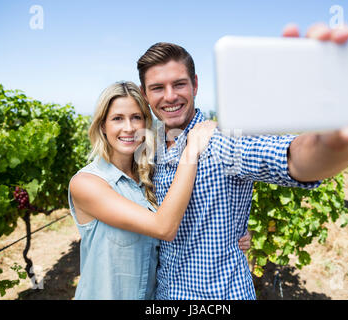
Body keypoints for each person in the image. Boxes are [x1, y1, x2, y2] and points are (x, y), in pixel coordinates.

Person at [136, 22, 348, 299]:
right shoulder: (152, 147)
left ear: (195, 85)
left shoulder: (222, 140)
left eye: (179, 84)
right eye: (158, 87)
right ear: (145, 93)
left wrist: (331, 144)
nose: (169, 96)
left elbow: (291, 159)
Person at [68, 81, 250, 300]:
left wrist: (233, 233)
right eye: (117, 118)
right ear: (102, 126)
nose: (129, 127)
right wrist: (191, 151)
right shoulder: (87, 183)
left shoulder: (150, 177)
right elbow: (164, 227)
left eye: (137, 117)